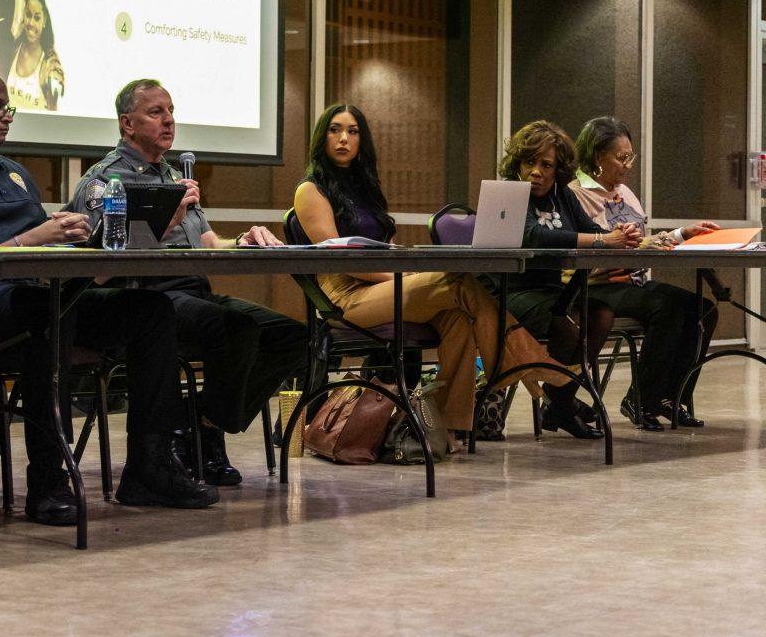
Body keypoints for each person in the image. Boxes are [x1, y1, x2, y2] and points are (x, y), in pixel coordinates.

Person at [0, 69, 217, 523]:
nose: (6, 117)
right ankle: (48, 482)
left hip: (32, 295)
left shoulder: (14, 175)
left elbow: (44, 248)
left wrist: (77, 239)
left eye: (8, 107)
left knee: (150, 311)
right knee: (47, 311)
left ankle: (149, 470)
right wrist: (32, 239)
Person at [66, 78, 308, 486]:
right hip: (144, 299)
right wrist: (169, 217)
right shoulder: (105, 181)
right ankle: (204, 437)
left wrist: (245, 241)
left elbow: (211, 242)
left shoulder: (178, 177)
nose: (168, 121)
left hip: (195, 291)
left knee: (292, 336)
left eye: (171, 111)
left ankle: (197, 421)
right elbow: (104, 256)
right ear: (127, 123)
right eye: (156, 112)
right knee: (236, 331)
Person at [293, 104, 570, 444]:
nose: (343, 139)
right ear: (323, 137)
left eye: (352, 131)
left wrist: (402, 274)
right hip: (346, 297)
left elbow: (385, 246)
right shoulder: (310, 190)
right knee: (456, 280)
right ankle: (524, 363)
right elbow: (341, 261)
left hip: (384, 285)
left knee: (458, 318)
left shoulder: (366, 190)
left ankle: (443, 429)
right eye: (335, 130)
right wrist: (401, 277)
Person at [569, 116, 717, 428]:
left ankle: (672, 397)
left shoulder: (624, 192)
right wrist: (611, 257)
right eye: (621, 158)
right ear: (597, 157)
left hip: (632, 282)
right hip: (595, 285)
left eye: (630, 157)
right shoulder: (575, 194)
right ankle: (642, 398)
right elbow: (572, 249)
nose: (628, 165)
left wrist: (682, 234)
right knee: (667, 308)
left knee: (705, 310)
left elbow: (643, 242)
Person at [497, 120, 642, 438]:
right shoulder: (509, 193)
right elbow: (532, 237)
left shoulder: (563, 195)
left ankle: (560, 401)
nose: (535, 171)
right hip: (513, 290)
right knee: (567, 321)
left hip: (549, 289)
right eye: (528, 162)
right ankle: (562, 402)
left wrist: (619, 234)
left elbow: (592, 233)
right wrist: (604, 241)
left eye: (545, 164)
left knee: (601, 313)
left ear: (558, 169)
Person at [7, 0, 64, 111]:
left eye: (37, 18)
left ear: (44, 21)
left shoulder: (49, 65)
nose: (31, 23)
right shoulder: (13, 50)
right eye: (28, 15)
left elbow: (52, 115)